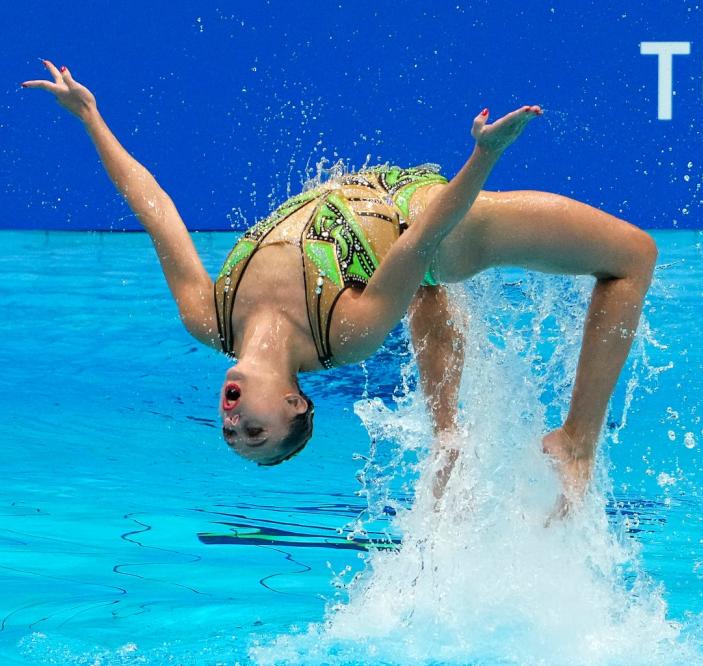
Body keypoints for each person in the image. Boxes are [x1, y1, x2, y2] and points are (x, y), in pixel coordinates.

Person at [23, 60, 657, 503]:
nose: (232, 418)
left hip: (381, 199)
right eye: (253, 431)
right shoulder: (346, 333)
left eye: (229, 430)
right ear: (297, 405)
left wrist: (90, 118)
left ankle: (447, 439)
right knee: (633, 255)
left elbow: (154, 208)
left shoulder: (207, 316)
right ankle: (576, 443)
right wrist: (484, 155)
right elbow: (424, 240)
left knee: (425, 295)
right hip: (427, 214)